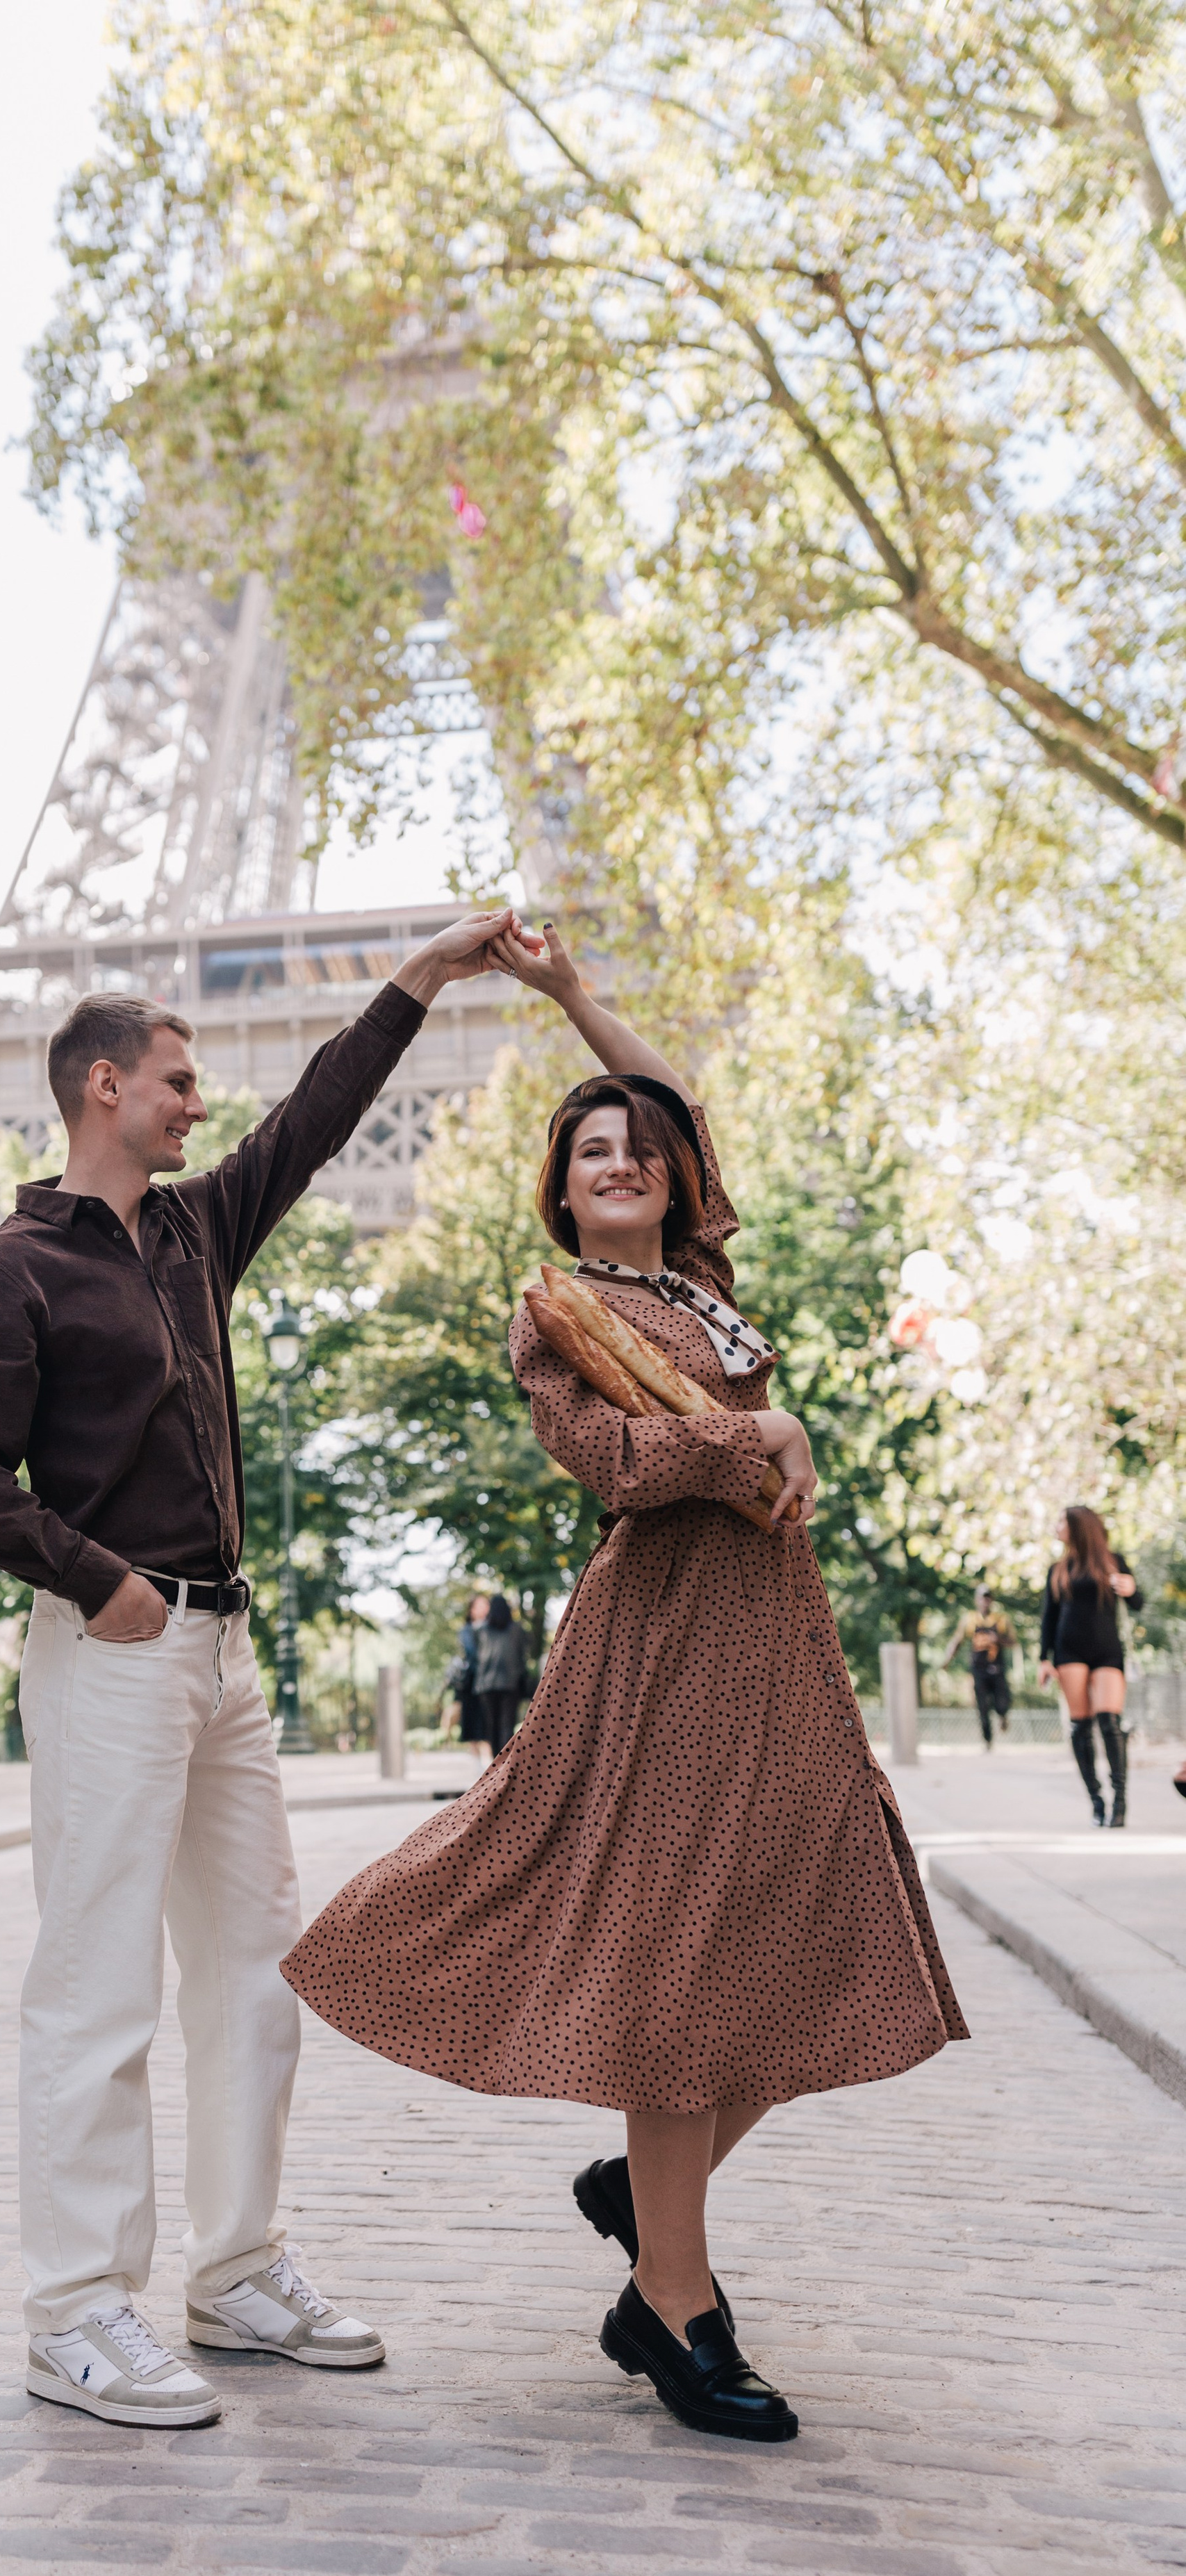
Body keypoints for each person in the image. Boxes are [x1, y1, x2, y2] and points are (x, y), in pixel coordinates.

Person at [281, 921, 968, 2447]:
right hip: (660, 1646)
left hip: (775, 1643)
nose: (619, 1161)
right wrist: (761, 1441)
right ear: (560, 1186)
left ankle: (640, 2211)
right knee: (683, 1967)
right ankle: (675, 2298)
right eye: (588, 1151)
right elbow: (613, 1461)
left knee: (818, 1937)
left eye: (633, 1150)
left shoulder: (707, 1285)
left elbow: (676, 1104)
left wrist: (566, 995)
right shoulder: (559, 1313)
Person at [0, 905, 518, 2429]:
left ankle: (233, 2269)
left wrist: (422, 974)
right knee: (95, 1984)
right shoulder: (10, 1268)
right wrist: (95, 1577)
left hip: (221, 1645)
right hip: (115, 1644)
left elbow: (316, 1119)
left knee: (253, 1975)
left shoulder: (189, 1233)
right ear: (103, 1086)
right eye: (175, 1080)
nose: (199, 1103)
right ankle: (73, 2311)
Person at [1038, 1507, 1141, 1828]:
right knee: (1081, 1727)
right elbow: (1049, 1618)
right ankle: (1096, 1800)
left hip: (1107, 1651)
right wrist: (1044, 1658)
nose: (1056, 1527)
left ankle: (1120, 1801)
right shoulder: (1058, 1569)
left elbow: (1138, 1604)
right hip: (1069, 1652)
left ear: (1078, 1528)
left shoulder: (1114, 1561)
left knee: (1110, 1722)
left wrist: (1132, 1588)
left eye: (1061, 1522)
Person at [942, 1588, 1017, 1748]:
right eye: (983, 1598)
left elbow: (1013, 1642)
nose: (985, 1601)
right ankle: (988, 1740)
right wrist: (947, 1659)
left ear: (992, 1600)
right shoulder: (969, 1619)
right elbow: (957, 1641)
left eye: (988, 1598)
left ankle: (1003, 1715)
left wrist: (998, 1639)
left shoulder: (1002, 1619)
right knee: (982, 1706)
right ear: (977, 1600)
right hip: (979, 1669)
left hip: (998, 1667)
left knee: (1002, 1702)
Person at [472, 1592, 528, 1757]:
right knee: (507, 1725)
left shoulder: (480, 1630)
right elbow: (522, 1656)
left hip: (486, 1684)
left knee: (492, 1726)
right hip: (510, 1683)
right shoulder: (517, 1629)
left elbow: (477, 1656)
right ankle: (506, 1764)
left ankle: (495, 1763)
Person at [449, 1592, 491, 1760]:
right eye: (480, 1605)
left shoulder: (493, 1628)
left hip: (488, 1680)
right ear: (472, 1610)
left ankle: (488, 1758)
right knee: (471, 1719)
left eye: (486, 1604)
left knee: (486, 1720)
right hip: (471, 1680)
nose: (484, 1608)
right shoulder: (466, 1630)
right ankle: (475, 1758)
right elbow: (471, 1652)